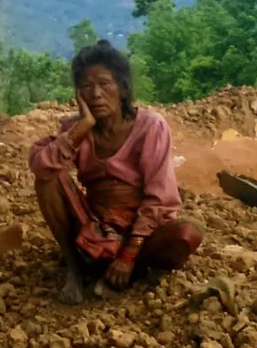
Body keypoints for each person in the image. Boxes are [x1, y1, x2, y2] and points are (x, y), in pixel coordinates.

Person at [29, 40, 203, 303]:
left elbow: (159, 197)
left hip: (140, 230)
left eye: (104, 84)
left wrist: (129, 254)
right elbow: (41, 165)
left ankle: (124, 270)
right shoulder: (76, 129)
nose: (96, 93)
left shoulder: (150, 127)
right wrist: (82, 127)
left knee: (186, 235)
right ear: (79, 95)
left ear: (122, 89)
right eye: (86, 87)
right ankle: (76, 269)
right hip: (96, 224)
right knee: (49, 179)